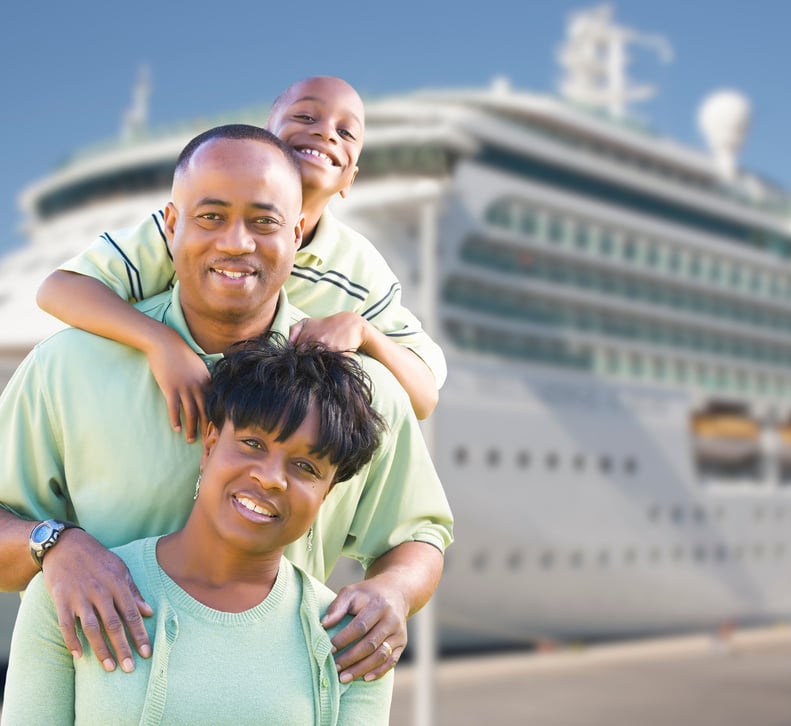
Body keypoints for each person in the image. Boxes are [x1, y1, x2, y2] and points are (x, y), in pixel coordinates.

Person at [0, 125, 452, 685]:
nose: (237, 242)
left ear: (298, 232)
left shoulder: (362, 389)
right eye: (211, 216)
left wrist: (393, 592)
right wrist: (55, 546)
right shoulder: (65, 367)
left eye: (264, 222)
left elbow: (419, 534)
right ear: (171, 225)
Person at [2, 336, 393, 725]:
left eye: (307, 467)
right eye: (253, 443)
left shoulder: (355, 640)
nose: (271, 478)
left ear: (326, 496)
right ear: (209, 446)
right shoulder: (73, 593)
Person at [36, 75, 444, 437]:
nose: (326, 134)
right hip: (157, 420)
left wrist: (364, 331)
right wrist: (160, 342)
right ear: (265, 138)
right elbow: (58, 290)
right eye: (305, 118)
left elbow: (424, 397)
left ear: (349, 178)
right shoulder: (197, 229)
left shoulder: (359, 267)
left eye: (346, 131)